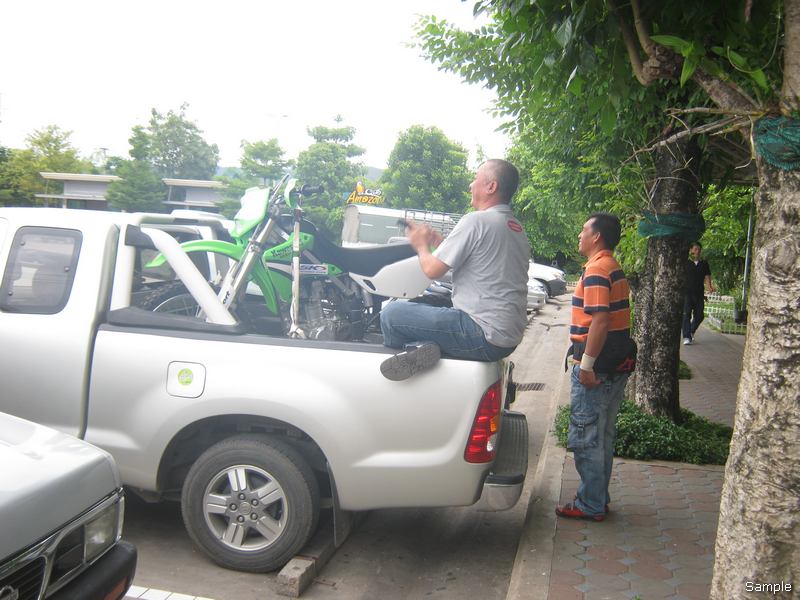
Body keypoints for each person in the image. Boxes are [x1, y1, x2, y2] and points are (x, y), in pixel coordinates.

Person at [379, 159, 531, 380]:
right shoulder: (515, 229)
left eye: (475, 179)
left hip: (482, 334)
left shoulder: (477, 221)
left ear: (491, 186)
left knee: (391, 314)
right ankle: (430, 346)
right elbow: (472, 271)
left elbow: (432, 271)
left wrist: (420, 245)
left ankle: (416, 349)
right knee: (426, 301)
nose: (470, 185)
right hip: (507, 337)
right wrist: (440, 245)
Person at [556, 212, 631, 522]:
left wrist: (586, 366)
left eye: (584, 230)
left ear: (596, 236)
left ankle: (590, 504)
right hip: (614, 365)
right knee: (603, 436)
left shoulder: (598, 269)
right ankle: (598, 498)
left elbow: (600, 320)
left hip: (596, 367)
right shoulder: (612, 266)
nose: (580, 235)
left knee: (587, 437)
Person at [682, 241, 714, 345]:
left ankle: (691, 330)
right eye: (695, 249)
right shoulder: (685, 262)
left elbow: (707, 276)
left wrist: (709, 287)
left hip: (699, 293)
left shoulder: (704, 263)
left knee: (700, 315)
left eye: (699, 249)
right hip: (687, 292)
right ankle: (686, 337)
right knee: (686, 314)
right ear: (691, 250)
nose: (697, 251)